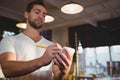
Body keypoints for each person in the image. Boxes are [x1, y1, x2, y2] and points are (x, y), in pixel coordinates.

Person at [0, 1, 74, 80]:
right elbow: (7, 70)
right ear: (27, 14)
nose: (41, 16)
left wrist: (65, 72)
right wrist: (41, 60)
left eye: (44, 15)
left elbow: (58, 77)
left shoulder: (51, 45)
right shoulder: (9, 40)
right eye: (37, 12)